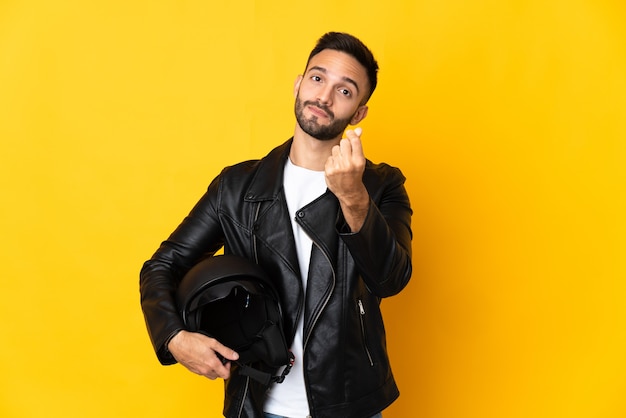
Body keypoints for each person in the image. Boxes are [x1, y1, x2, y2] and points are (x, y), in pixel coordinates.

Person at [140, 31, 413, 418]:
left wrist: (353, 197)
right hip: (258, 403)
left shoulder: (381, 185)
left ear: (359, 113)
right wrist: (173, 337)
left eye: (345, 91)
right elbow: (162, 265)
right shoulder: (236, 187)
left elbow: (391, 279)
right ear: (299, 84)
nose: (324, 97)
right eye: (318, 79)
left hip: (353, 405)